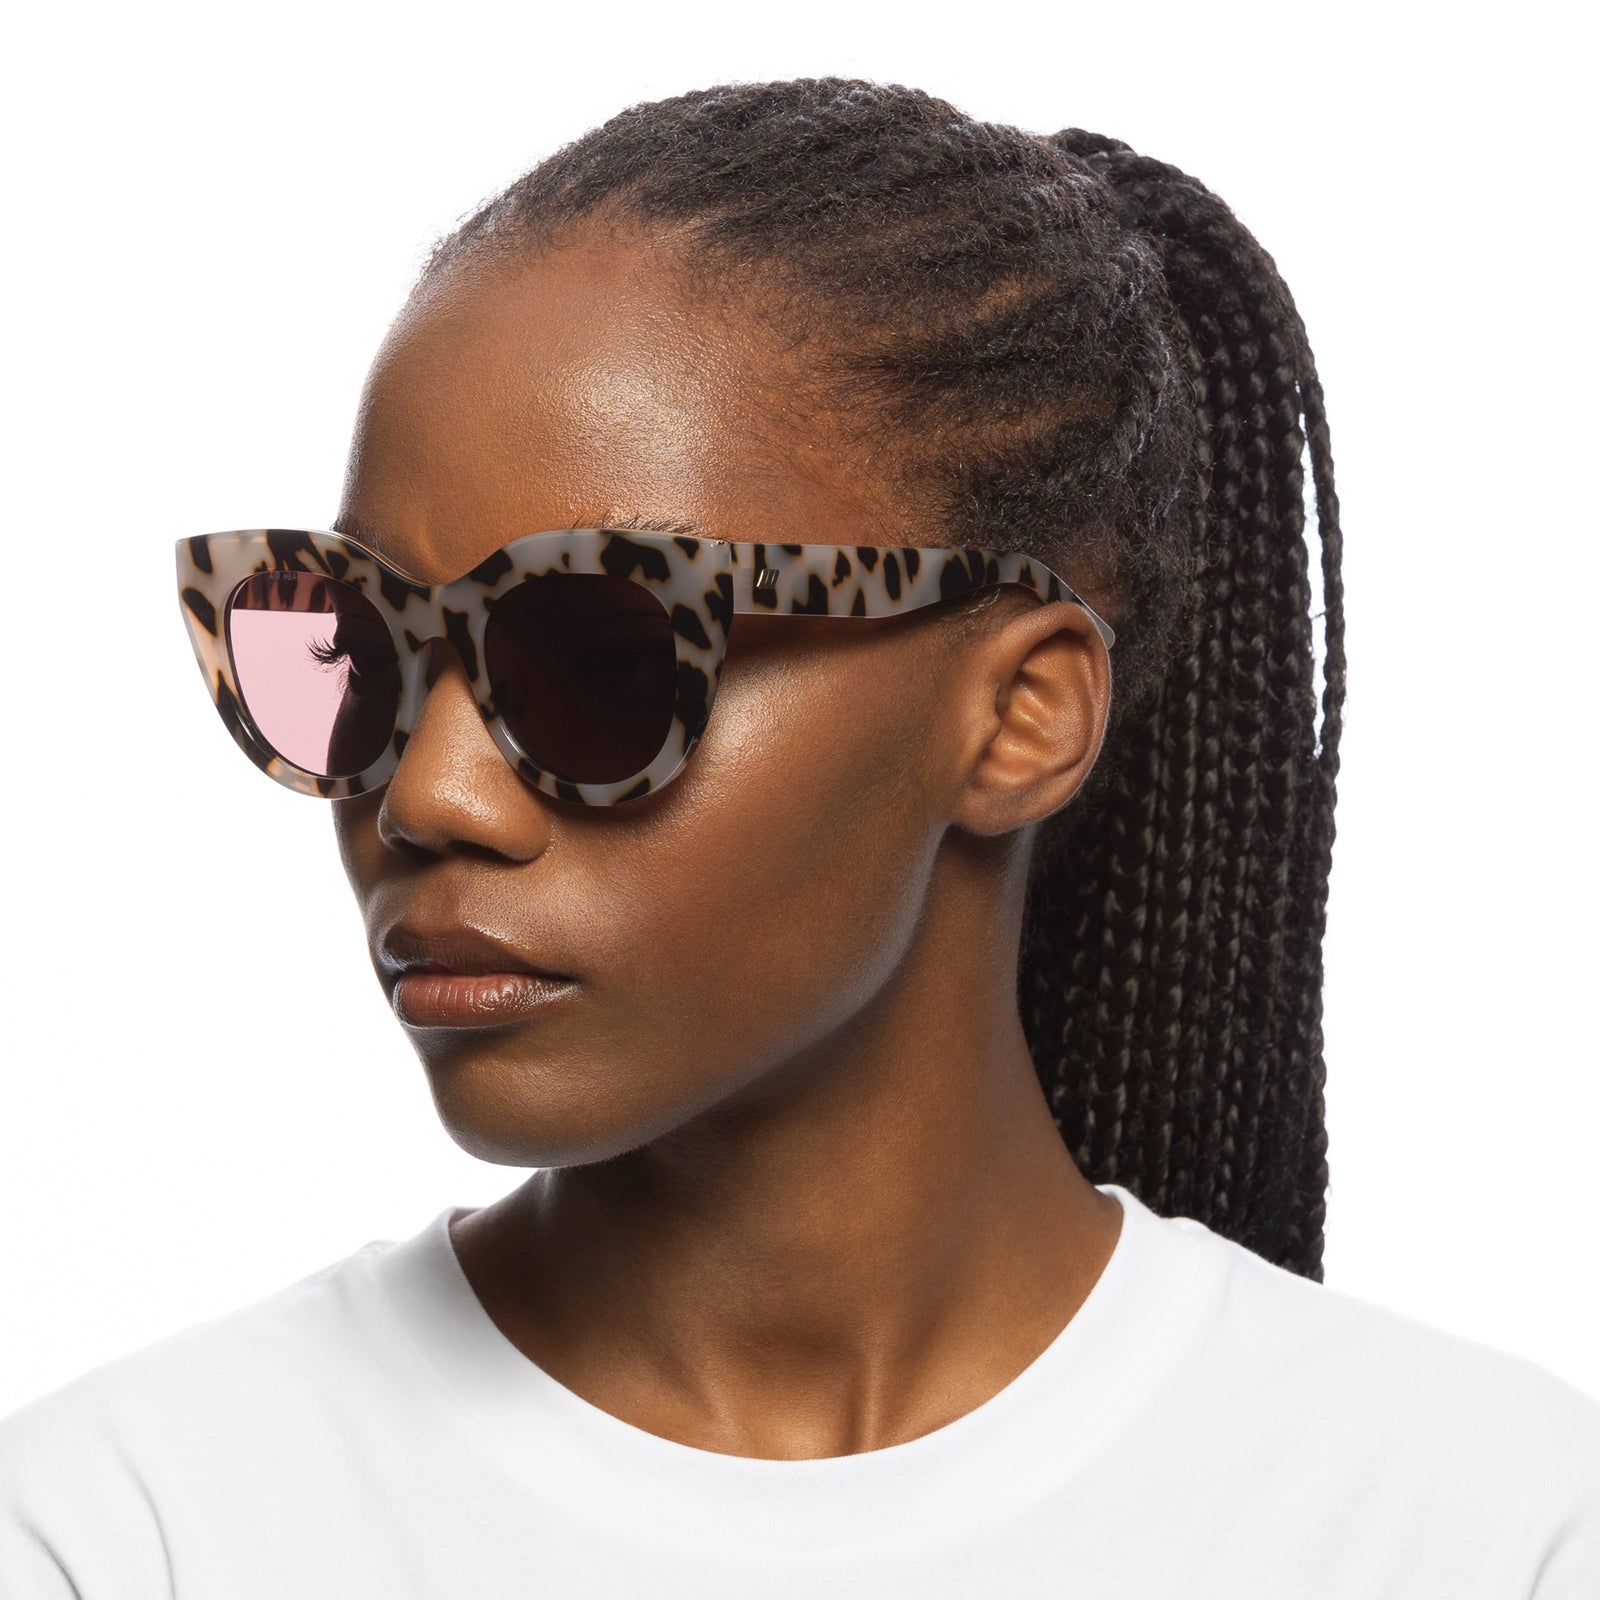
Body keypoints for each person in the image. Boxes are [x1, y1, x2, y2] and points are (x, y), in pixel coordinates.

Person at [2, 76, 1596, 1598]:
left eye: (603, 659)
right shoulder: (125, 1537)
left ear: (1019, 715)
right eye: (357, 649)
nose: (425, 795)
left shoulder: (1489, 1531)